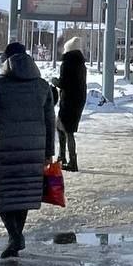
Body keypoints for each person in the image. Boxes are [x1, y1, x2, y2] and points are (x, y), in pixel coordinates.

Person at [0, 42, 55, 258]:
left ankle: (14, 235)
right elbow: (49, 121)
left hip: (4, 149)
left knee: (3, 193)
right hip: (33, 150)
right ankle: (16, 235)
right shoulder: (42, 86)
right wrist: (48, 152)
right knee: (23, 193)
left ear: (6, 60)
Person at [57, 36, 87, 171]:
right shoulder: (81, 64)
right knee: (63, 128)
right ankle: (62, 157)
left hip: (68, 101)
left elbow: (63, 83)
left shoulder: (67, 63)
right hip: (79, 101)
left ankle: (71, 162)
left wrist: (54, 81)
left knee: (66, 130)